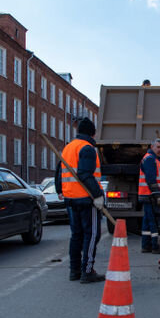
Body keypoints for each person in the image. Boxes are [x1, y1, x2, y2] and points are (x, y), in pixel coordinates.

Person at [55, 117, 106, 283]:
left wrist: (59, 190)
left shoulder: (68, 148)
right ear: (93, 133)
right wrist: (98, 195)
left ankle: (74, 270)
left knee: (76, 235)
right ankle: (88, 271)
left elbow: (59, 173)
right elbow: (85, 174)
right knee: (91, 235)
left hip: (71, 199)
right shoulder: (88, 148)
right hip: (86, 199)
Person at [138, 138, 160, 253]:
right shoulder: (150, 159)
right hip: (150, 195)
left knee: (147, 221)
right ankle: (155, 246)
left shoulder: (153, 159)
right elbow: (151, 180)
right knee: (153, 221)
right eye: (158, 147)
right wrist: (158, 195)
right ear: (152, 147)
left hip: (148, 195)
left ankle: (146, 245)